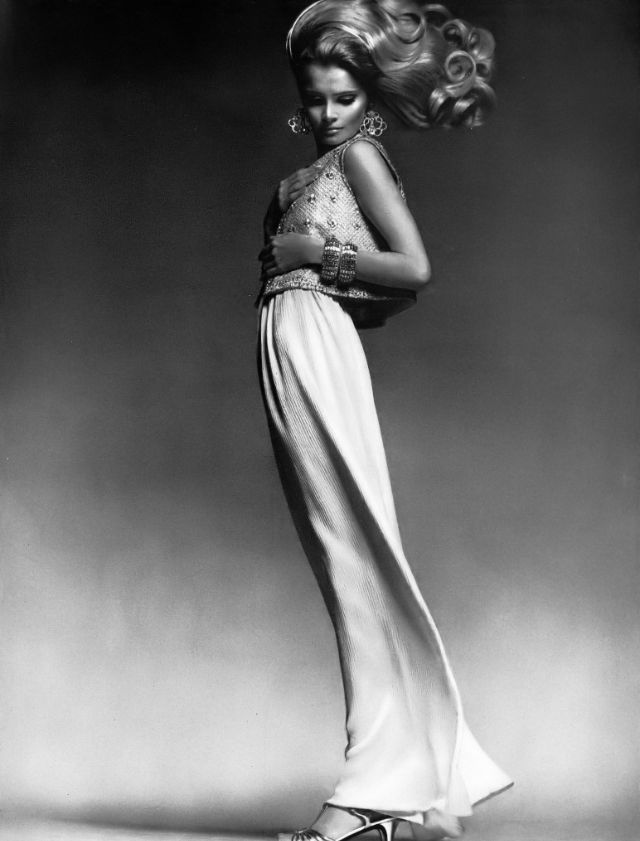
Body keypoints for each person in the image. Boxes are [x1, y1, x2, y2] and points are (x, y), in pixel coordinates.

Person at [256, 2, 513, 840]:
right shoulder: (299, 180)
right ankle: (411, 791)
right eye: (315, 99)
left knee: (358, 557)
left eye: (344, 98)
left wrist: (317, 257)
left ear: (367, 98)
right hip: (290, 353)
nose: (329, 113)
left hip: (318, 350)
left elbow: (414, 269)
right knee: (346, 562)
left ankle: (373, 790)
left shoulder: (360, 157)